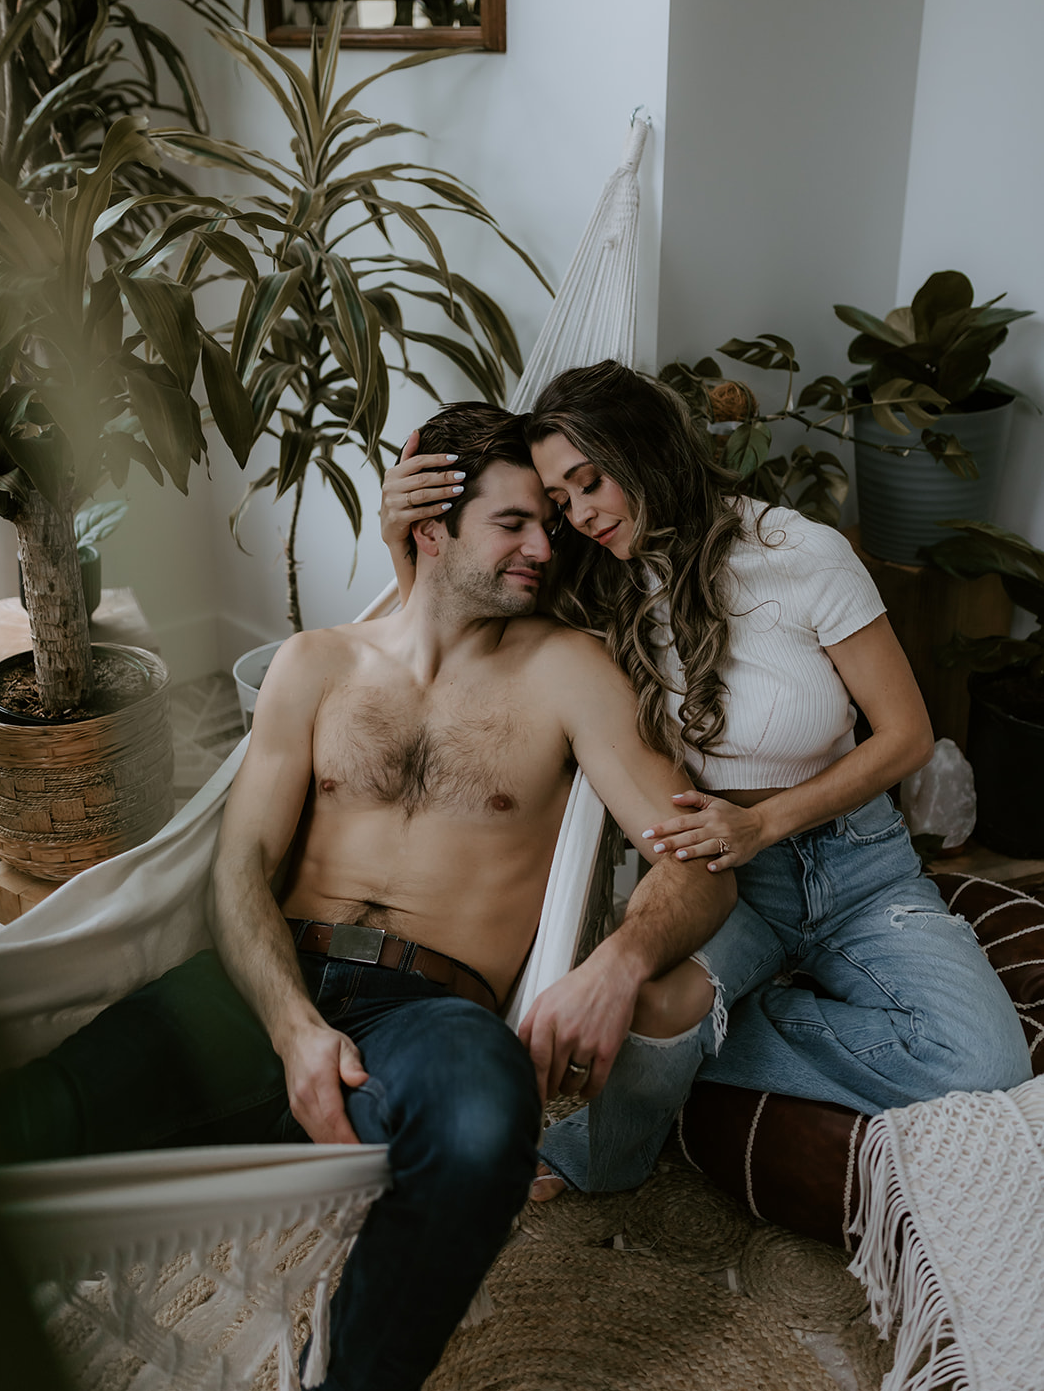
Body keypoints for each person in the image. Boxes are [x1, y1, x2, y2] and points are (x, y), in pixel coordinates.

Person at [0, 402, 735, 1391]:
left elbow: (704, 867)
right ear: (431, 522)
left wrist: (615, 961)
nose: (540, 545)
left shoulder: (566, 670)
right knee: (18, 1124)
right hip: (259, 991)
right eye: (512, 522)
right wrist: (292, 1026)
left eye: (546, 524)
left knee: (483, 1124)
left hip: (429, 1016)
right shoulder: (315, 664)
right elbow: (237, 868)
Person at [381, 360, 1032, 1202]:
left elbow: (906, 738)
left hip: (860, 867)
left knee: (982, 1060)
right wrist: (404, 542)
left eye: (590, 483)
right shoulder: (597, 580)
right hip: (726, 884)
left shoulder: (802, 556)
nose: (579, 514)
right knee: (652, 1010)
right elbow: (460, 654)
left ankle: (697, 1048)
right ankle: (603, 1150)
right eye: (560, 499)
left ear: (647, 449)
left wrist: (763, 824)